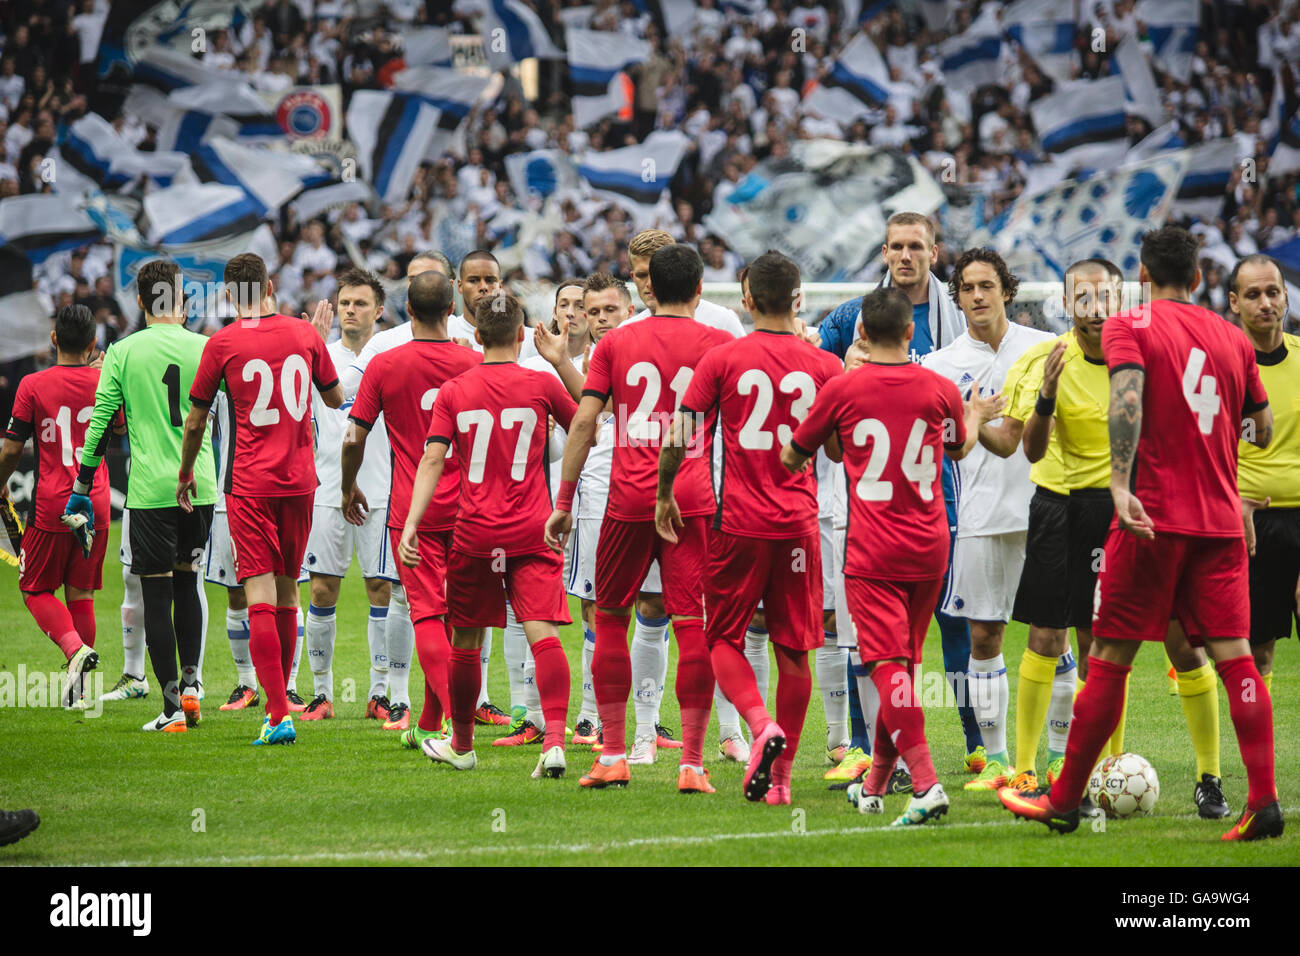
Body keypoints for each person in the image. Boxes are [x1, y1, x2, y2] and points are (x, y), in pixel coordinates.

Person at [1000, 227, 1282, 841]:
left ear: (1143, 278)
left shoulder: (1133, 326)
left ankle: (1065, 800)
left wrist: (1123, 486)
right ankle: (1262, 800)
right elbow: (1260, 424)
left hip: (1155, 520)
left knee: (1109, 656)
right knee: (1234, 657)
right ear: (1203, 279)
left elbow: (1126, 398)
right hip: (1220, 522)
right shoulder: (1233, 338)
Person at [783, 286, 996, 825]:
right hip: (930, 547)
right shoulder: (939, 387)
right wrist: (971, 416)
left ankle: (925, 784)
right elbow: (958, 447)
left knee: (886, 667)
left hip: (873, 549)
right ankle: (876, 783)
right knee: (902, 665)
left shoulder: (843, 389)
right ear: (909, 333)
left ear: (860, 335)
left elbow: (793, 456)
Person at [659, 250, 843, 805]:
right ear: (799, 299)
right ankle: (781, 783)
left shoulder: (723, 359)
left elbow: (680, 433)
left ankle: (759, 725)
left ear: (746, 299)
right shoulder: (825, 367)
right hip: (799, 527)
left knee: (722, 636)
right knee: (795, 651)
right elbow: (834, 448)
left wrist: (665, 492)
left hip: (737, 521)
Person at [546, 243, 731, 792]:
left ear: (649, 288)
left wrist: (562, 500)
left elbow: (584, 423)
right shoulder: (719, 344)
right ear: (699, 290)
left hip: (627, 498)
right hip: (692, 498)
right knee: (693, 625)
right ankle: (693, 764)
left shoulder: (618, 342)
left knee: (610, 619)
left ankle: (612, 753)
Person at [818, 212, 980, 792]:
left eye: (916, 246)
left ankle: (975, 743)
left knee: (950, 627)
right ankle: (865, 751)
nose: (905, 256)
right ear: (884, 252)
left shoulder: (958, 314)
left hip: (941, 500)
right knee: (874, 641)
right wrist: (842, 369)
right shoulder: (852, 317)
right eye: (895, 247)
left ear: (934, 252)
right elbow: (813, 366)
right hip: (870, 507)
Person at [404, 294, 581, 779]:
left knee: (465, 638)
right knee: (541, 632)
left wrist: (414, 522)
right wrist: (562, 360)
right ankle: (553, 742)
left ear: (477, 336)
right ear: (523, 335)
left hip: (476, 530)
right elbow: (590, 423)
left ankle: (461, 744)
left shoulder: (455, 390)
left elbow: (433, 459)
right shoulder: (541, 383)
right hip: (533, 527)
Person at [179, 253, 342, 746]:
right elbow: (334, 398)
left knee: (259, 596)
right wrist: (312, 341)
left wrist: (186, 472)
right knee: (289, 588)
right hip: (300, 482)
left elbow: (195, 420)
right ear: (271, 285)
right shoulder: (304, 334)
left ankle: (276, 713)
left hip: (250, 483)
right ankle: (286, 697)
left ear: (230, 295)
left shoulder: (222, 343)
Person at [921, 248, 1055, 791]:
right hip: (979, 515)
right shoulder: (939, 366)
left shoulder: (1045, 349)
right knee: (983, 635)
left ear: (1006, 290)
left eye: (987, 286)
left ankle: (1060, 758)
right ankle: (996, 760)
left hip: (1047, 508)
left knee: (1054, 636)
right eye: (967, 288)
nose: (977, 296)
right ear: (957, 297)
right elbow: (940, 445)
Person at [71, 261, 218, 733]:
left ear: (140, 301)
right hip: (202, 485)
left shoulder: (123, 351)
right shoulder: (207, 347)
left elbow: (100, 425)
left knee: (155, 591)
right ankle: (193, 688)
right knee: (187, 581)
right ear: (183, 301)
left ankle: (173, 707)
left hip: (151, 490)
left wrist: (81, 487)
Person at [342, 269, 481, 753]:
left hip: (412, 512)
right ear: (451, 310)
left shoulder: (384, 364)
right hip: (470, 510)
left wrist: (347, 487)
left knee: (426, 615)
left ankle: (455, 729)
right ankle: (427, 723)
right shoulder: (474, 363)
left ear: (406, 310)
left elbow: (354, 435)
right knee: (454, 621)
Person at [626, 229, 741, 761]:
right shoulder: (627, 331)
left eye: (651, 273)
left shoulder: (722, 324)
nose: (644, 282)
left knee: (713, 612)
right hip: (643, 491)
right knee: (652, 607)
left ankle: (730, 731)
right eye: (636, 273)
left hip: (705, 491)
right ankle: (647, 731)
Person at [300, 269, 411, 727]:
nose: (350, 310)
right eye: (345, 302)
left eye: (361, 303)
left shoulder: (393, 355)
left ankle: (379, 693)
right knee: (323, 589)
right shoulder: (316, 355)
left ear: (379, 311)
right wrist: (304, 349)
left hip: (380, 488)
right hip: (327, 488)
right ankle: (321, 694)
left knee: (380, 588)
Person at [0, 305, 118, 708]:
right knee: (81, 593)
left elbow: (13, 448)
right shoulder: (105, 381)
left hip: (53, 503)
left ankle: (74, 650)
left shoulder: (32, 385)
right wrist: (102, 376)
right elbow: (119, 428)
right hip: (97, 502)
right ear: (92, 343)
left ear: (53, 339)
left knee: (33, 588)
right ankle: (81, 693)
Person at [1230, 254, 1299, 691]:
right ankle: (1260, 754)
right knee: (1258, 649)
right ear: (1234, 302)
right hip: (1248, 522)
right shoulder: (1217, 366)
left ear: (1286, 297)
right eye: (1253, 294)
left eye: (1272, 292)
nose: (1265, 303)